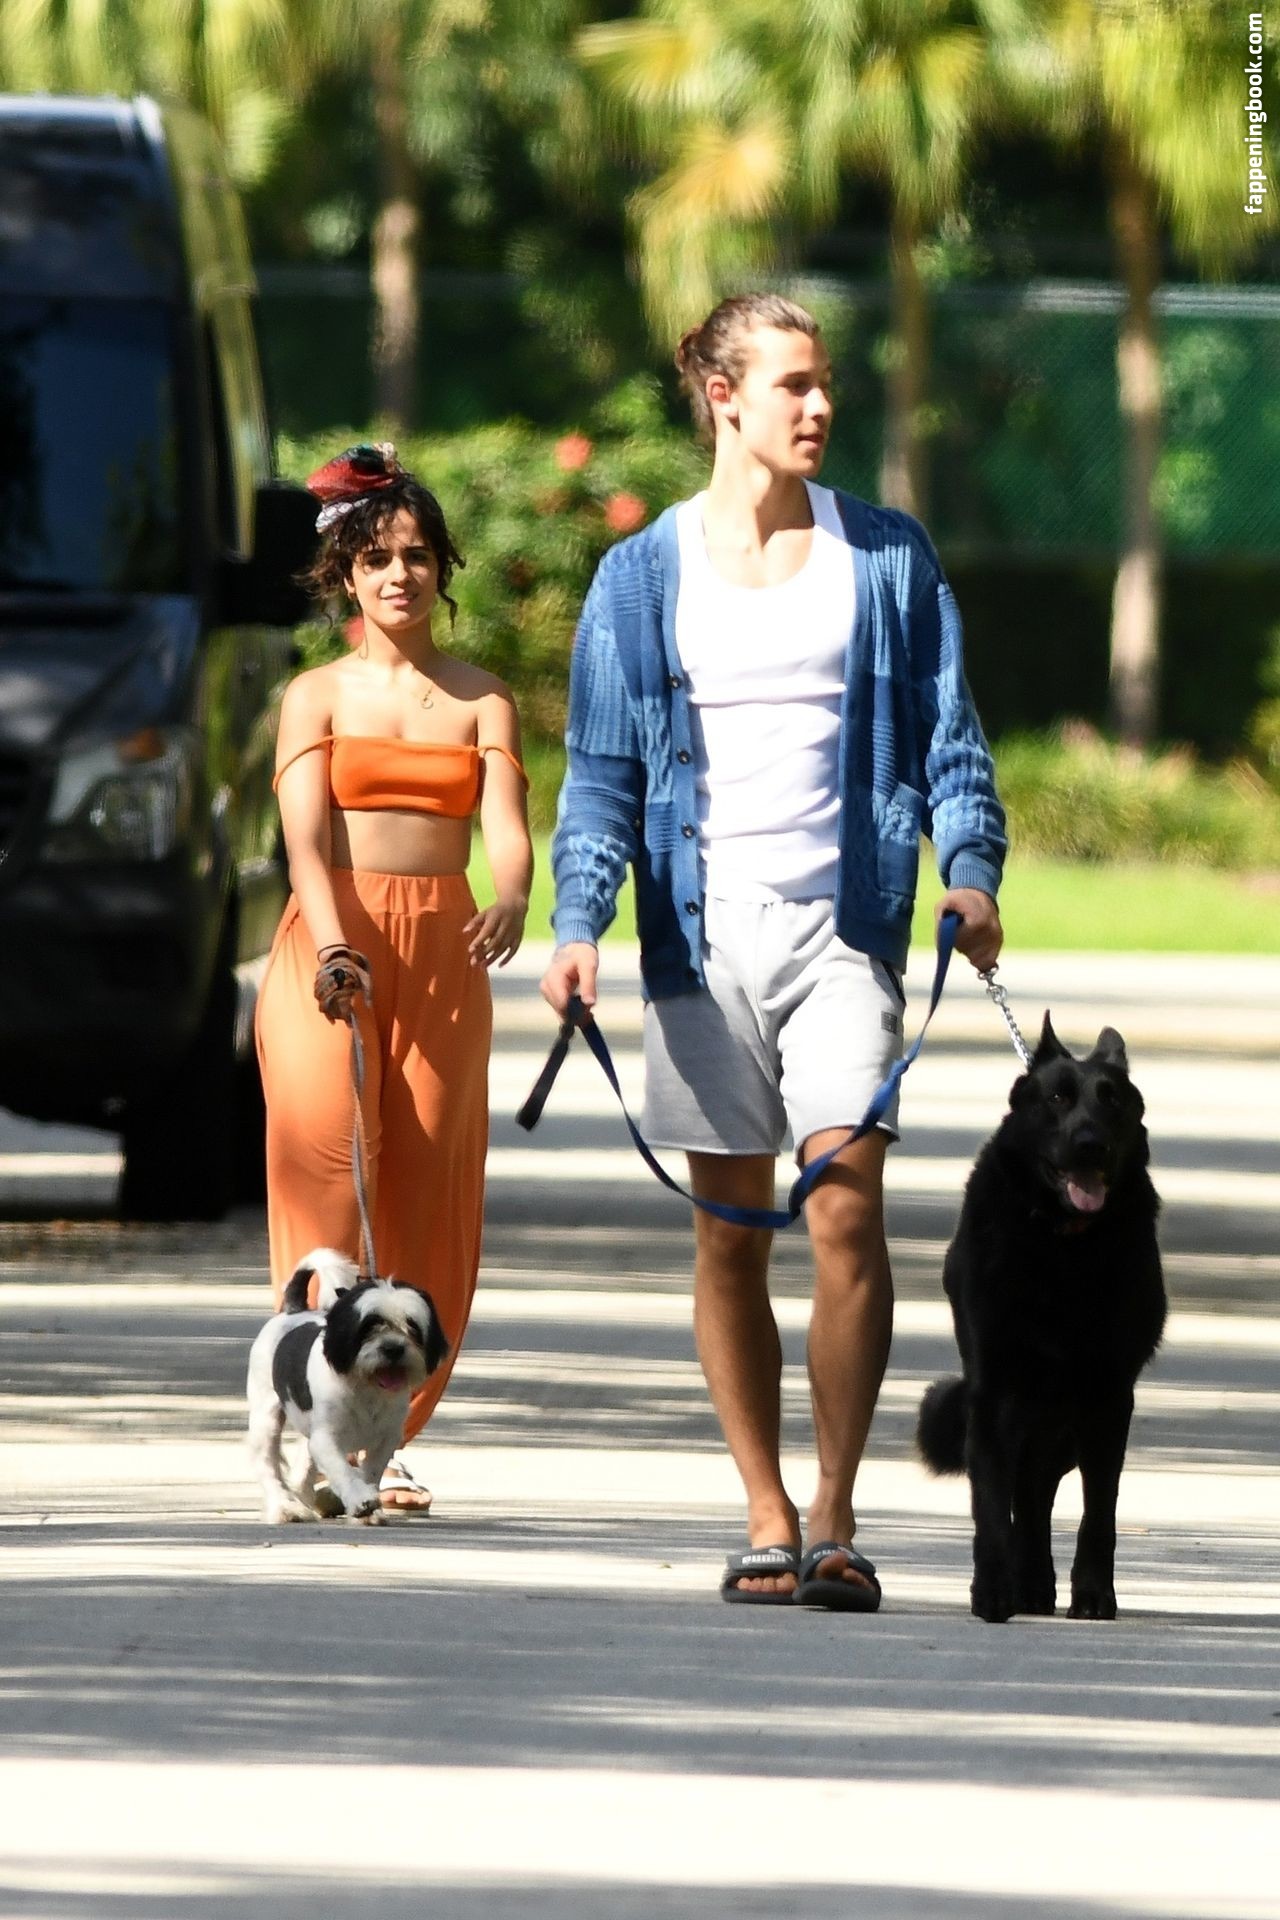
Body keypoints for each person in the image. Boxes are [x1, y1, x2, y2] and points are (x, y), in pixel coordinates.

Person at [540, 295, 1006, 1607]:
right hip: (699, 945)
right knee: (730, 1236)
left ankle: (839, 1514)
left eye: (824, 382)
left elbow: (950, 738)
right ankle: (765, 1506)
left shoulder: (885, 556)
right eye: (792, 384)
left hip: (845, 931)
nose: (818, 406)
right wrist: (578, 924)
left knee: (844, 1203)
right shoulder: (641, 578)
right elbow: (602, 780)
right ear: (722, 396)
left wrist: (970, 872)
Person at [256, 443, 532, 1512]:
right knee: (333, 1176)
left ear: (441, 567)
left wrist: (512, 895)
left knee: (426, 1187)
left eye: (417, 556)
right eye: (377, 559)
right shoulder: (314, 696)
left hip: (445, 952)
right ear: (345, 573)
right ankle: (317, 1416)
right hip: (333, 945)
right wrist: (334, 948)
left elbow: (506, 831)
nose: (399, 575)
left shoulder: (482, 700)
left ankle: (387, 1435)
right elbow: (304, 845)